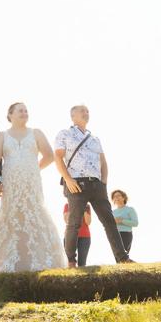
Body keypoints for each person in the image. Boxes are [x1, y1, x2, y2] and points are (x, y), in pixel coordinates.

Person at [0, 102, 66, 272]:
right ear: (10, 115)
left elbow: (49, 156)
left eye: (26, 110)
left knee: (34, 212)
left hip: (31, 182)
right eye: (20, 110)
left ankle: (41, 260)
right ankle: (12, 262)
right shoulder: (1, 135)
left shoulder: (36, 133)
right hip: (11, 183)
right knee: (12, 215)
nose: (24, 113)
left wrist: (33, 168)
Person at [54, 105, 133, 268]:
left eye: (87, 111)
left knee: (109, 221)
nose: (86, 113)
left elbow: (103, 162)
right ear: (73, 116)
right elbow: (58, 157)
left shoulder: (95, 139)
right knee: (74, 223)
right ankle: (71, 261)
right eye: (82, 111)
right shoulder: (64, 134)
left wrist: (104, 183)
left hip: (97, 186)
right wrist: (68, 179)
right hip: (76, 184)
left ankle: (122, 258)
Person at [111, 189, 139, 255]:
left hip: (126, 234)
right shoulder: (113, 212)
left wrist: (122, 221)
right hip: (115, 235)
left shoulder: (130, 209)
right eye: (114, 196)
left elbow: (135, 223)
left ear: (123, 197)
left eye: (118, 195)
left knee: (124, 254)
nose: (116, 198)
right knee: (116, 255)